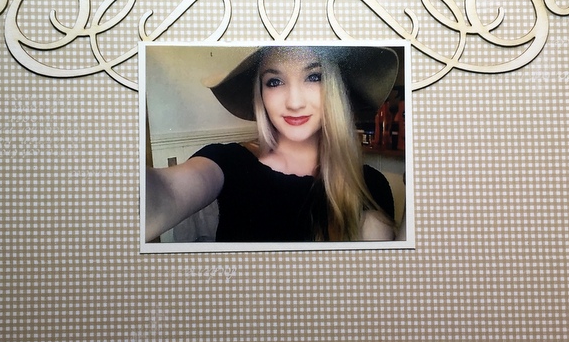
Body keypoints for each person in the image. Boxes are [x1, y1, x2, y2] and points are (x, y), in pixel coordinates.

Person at [144, 44, 401, 243]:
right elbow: (165, 195)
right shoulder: (229, 163)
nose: (294, 102)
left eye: (314, 77)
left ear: (337, 88)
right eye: (274, 82)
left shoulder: (372, 186)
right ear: (261, 93)